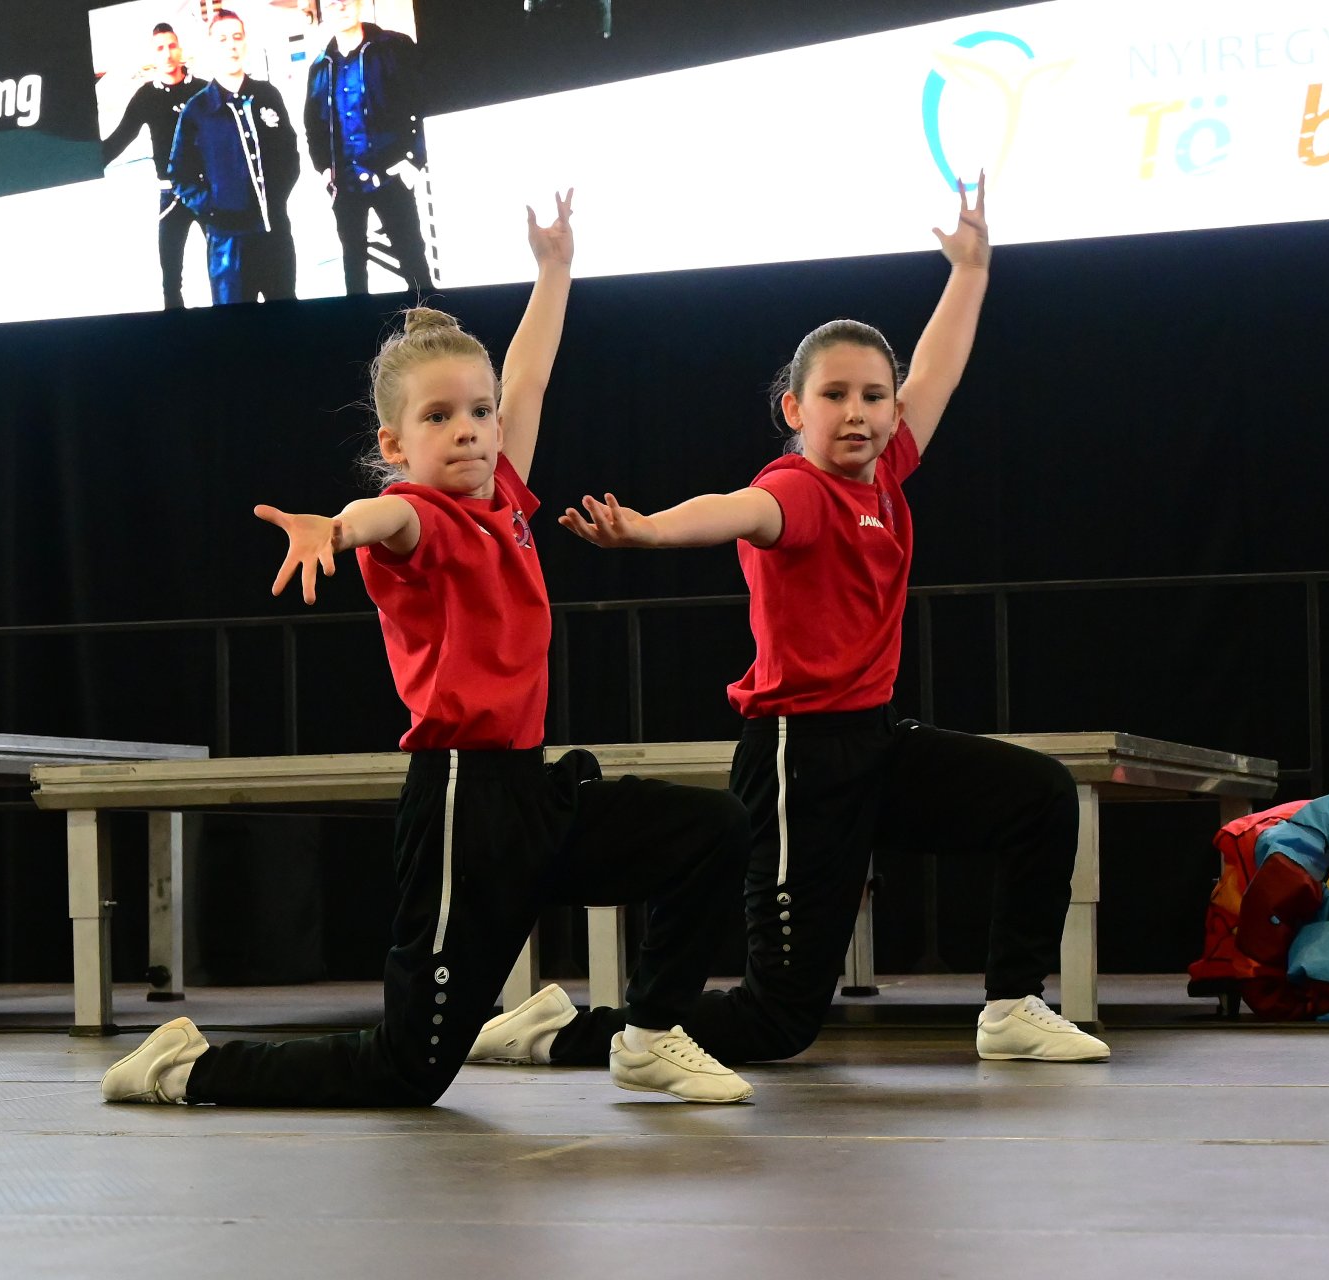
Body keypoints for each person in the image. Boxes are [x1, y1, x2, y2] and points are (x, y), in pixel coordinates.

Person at [102, 194, 756, 1107]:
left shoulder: (505, 502)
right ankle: (184, 1066)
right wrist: (335, 528)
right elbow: (381, 518)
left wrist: (555, 270)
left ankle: (647, 1034)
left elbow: (529, 378)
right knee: (406, 1070)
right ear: (395, 442)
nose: (469, 429)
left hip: (533, 794)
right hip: (462, 807)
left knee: (713, 829)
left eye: (478, 413)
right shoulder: (422, 518)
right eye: (440, 417)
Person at [476, 175, 1113, 1069]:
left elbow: (937, 370)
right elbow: (735, 510)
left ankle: (1012, 1005)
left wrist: (970, 271)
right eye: (835, 396)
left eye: (874, 397)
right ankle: (555, 1032)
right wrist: (650, 530)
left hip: (877, 745)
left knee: (1037, 795)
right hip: (799, 764)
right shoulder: (800, 492)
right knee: (778, 1020)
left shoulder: (886, 473)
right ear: (795, 410)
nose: (857, 412)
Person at [166, 10, 299, 305]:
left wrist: (276, 198)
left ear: (246, 43)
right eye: (223, 39)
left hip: (275, 235)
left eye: (237, 37)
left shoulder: (267, 95)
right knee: (235, 326)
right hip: (228, 247)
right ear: (210, 48)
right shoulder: (197, 110)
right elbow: (179, 174)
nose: (231, 45)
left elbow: (289, 153)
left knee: (287, 315)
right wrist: (213, 209)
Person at [303, 0, 435, 296]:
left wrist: (414, 160)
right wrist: (324, 170)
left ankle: (431, 321)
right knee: (354, 270)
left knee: (414, 262)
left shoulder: (394, 47)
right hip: (345, 185)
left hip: (392, 177)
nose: (340, 6)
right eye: (331, 2)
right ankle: (359, 323)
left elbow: (424, 102)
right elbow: (313, 125)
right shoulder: (320, 66)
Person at [100, 23, 209, 310]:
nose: (167, 53)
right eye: (160, 48)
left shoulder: (203, 90)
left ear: (180, 49)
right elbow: (118, 140)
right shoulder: (146, 97)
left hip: (208, 192)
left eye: (172, 46)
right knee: (170, 280)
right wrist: (80, 162)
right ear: (153, 55)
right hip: (171, 196)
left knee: (228, 269)